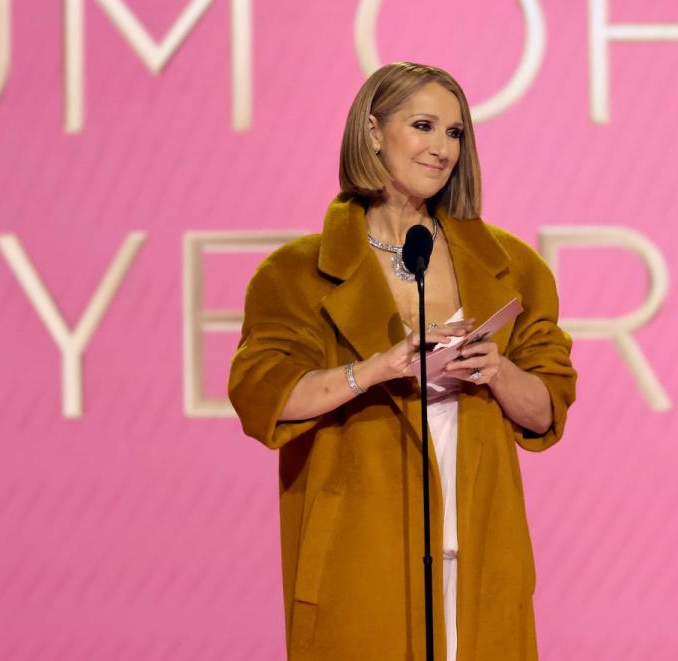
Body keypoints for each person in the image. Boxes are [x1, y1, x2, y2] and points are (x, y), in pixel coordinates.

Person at [228, 61, 577, 661]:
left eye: (456, 133)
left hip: (480, 558)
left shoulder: (514, 268)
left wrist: (499, 371)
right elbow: (267, 394)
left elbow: (545, 411)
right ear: (371, 131)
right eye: (423, 126)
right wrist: (374, 371)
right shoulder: (294, 275)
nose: (443, 149)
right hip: (360, 561)